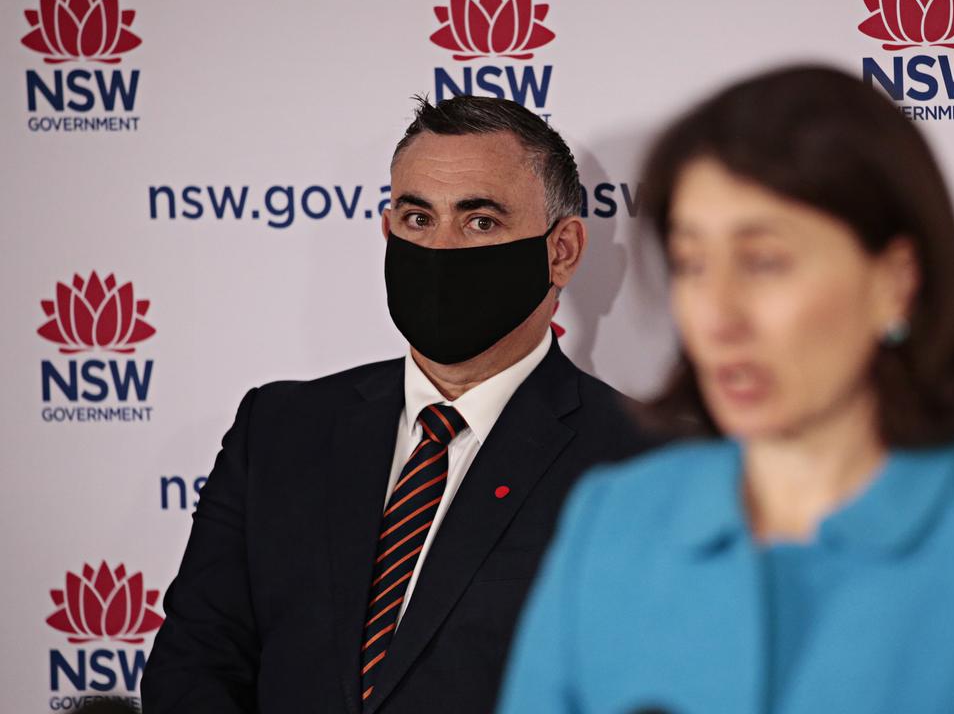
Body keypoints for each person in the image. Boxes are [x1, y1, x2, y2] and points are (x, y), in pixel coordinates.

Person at [498, 66, 954, 713]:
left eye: (764, 262)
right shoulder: (611, 521)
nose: (717, 316)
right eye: (692, 263)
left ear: (895, 280)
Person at [141, 95, 658, 714]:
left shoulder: (645, 465)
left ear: (563, 250)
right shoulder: (278, 429)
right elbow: (197, 662)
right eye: (417, 219)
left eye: (480, 222)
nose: (439, 250)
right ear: (387, 231)